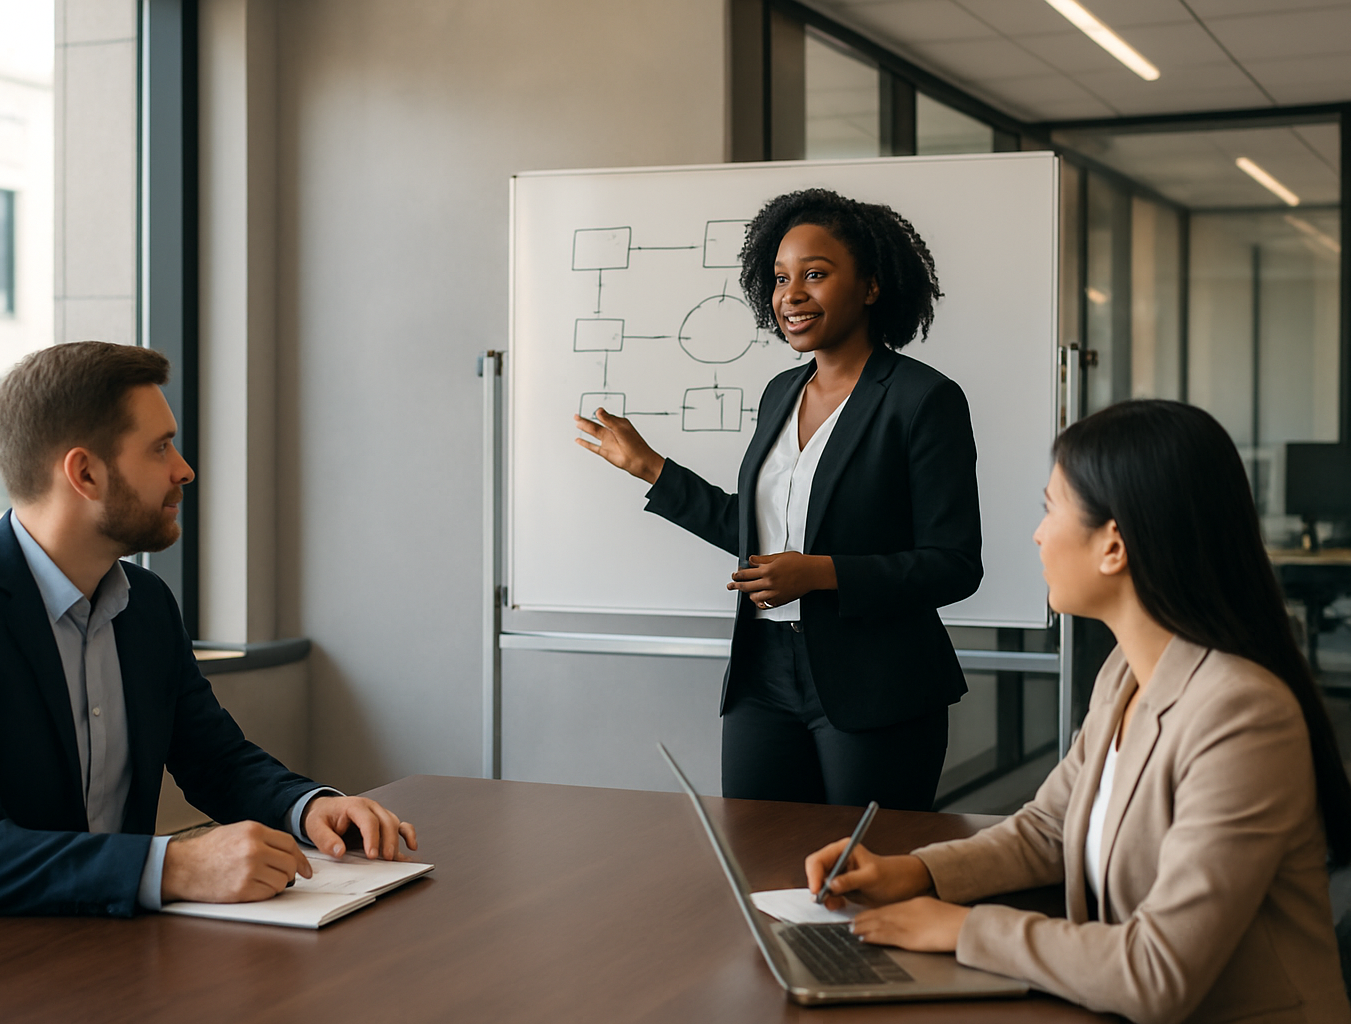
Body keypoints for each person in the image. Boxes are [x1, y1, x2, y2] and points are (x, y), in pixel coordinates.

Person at [0, 342, 416, 939]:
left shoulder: (146, 604)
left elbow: (216, 760)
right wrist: (176, 865)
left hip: (83, 936)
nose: (184, 469)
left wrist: (308, 807)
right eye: (160, 447)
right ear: (84, 473)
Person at [804, 400, 1351, 1024]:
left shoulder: (1242, 716)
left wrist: (961, 929)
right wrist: (914, 872)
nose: (1039, 534)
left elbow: (1158, 973)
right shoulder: (1126, 671)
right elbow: (1050, 829)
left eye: (1050, 509)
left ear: (1113, 545)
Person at [574, 189, 981, 809]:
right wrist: (651, 468)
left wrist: (819, 574)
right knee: (755, 855)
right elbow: (756, 533)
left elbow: (953, 564)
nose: (791, 294)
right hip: (763, 673)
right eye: (781, 278)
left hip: (875, 684)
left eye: (815, 274)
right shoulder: (780, 393)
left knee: (859, 866)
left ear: (871, 286)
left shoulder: (922, 399)